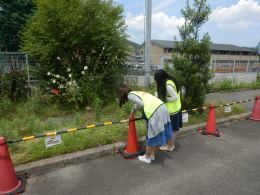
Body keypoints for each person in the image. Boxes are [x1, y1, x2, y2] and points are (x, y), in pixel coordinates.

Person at [118, 85, 173, 164]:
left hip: (154, 111)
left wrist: (144, 109)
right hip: (162, 108)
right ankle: (152, 155)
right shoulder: (138, 92)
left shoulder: (130, 95)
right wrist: (132, 114)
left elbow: (140, 103)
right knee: (159, 134)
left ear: (122, 93)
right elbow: (137, 104)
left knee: (151, 135)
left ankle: (147, 157)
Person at [154, 69, 182, 151]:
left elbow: (174, 97)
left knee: (172, 130)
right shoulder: (169, 80)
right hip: (175, 109)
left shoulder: (168, 85)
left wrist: (164, 99)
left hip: (173, 111)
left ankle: (170, 146)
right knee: (172, 129)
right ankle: (170, 144)